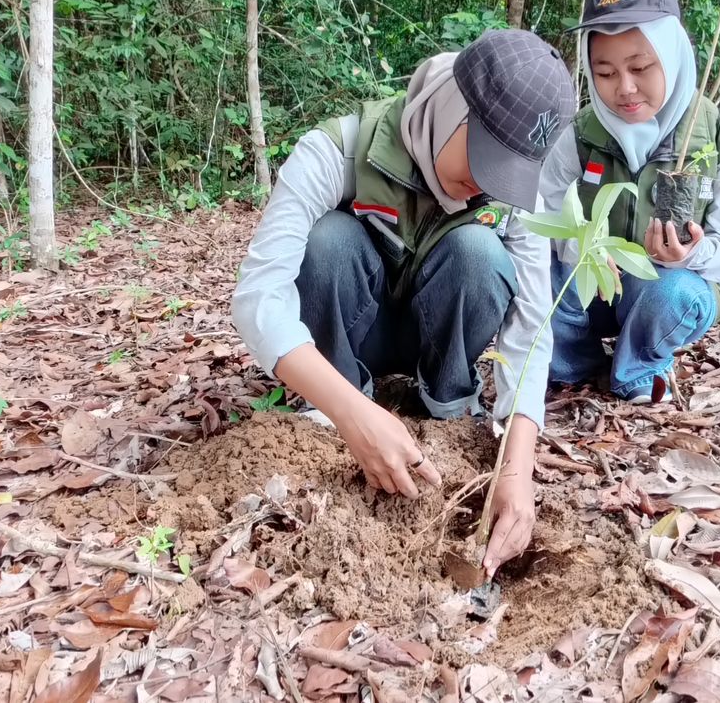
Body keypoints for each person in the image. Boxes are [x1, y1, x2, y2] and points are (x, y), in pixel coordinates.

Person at [231, 29, 576, 577]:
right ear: (453, 107)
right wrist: (352, 412)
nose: (484, 188)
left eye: (507, 176)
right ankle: (328, 408)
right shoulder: (339, 149)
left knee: (478, 253)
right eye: (483, 162)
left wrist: (516, 471)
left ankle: (444, 407)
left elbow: (531, 326)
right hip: (348, 337)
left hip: (436, 336)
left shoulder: (511, 198)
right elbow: (256, 298)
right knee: (328, 244)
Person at [540, 0, 720, 403]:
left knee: (671, 293)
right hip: (591, 287)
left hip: (664, 286)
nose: (625, 88)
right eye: (605, 72)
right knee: (535, 269)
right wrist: (584, 249)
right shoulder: (579, 133)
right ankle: (574, 366)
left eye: (640, 67)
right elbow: (542, 213)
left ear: (671, 55)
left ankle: (639, 367)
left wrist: (691, 255)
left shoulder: (719, 138)